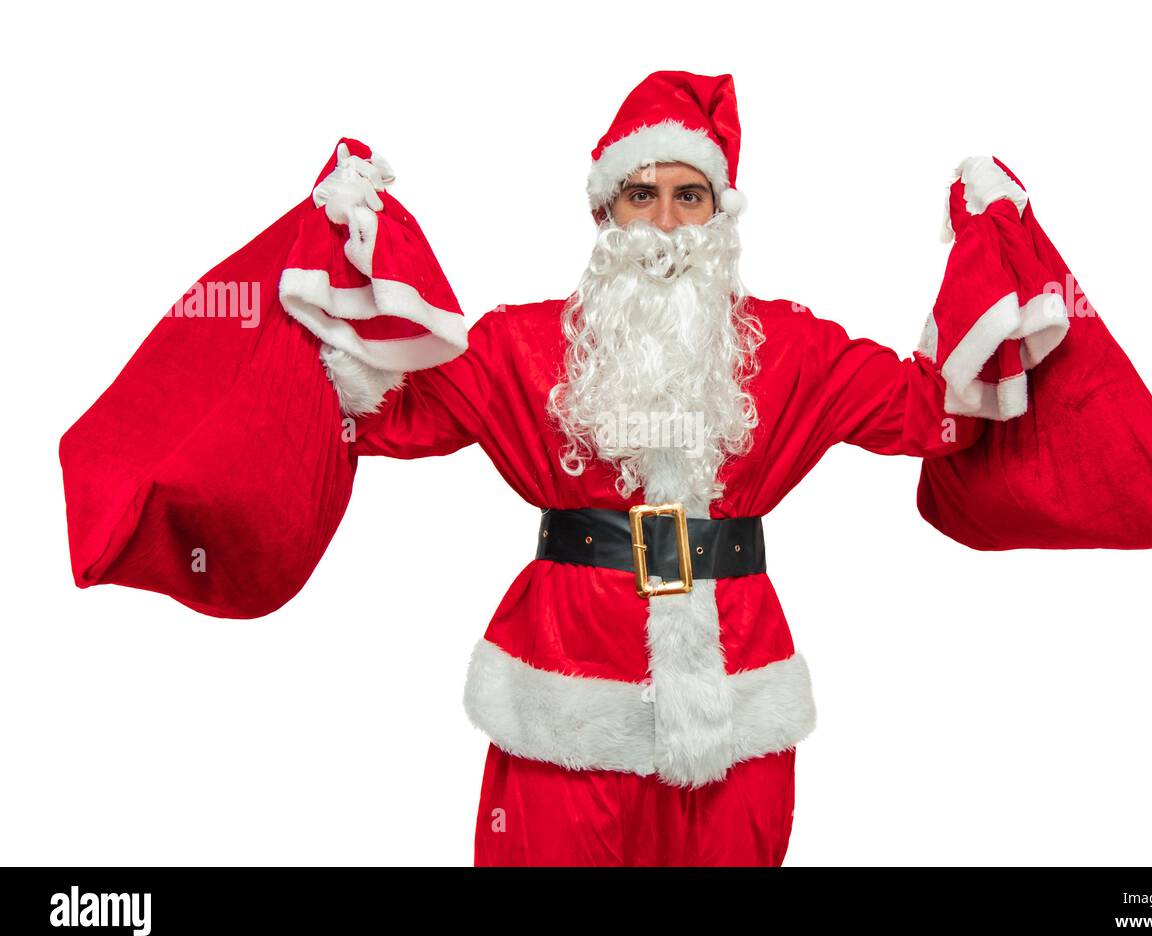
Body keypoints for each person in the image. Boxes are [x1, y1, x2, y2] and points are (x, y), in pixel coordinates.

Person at [61, 71, 1067, 866]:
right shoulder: (521, 344)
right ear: (605, 215)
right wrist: (343, 267)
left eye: (689, 196)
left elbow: (932, 411)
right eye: (642, 195)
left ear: (720, 214)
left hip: (736, 677)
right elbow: (392, 414)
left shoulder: (790, 348)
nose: (666, 222)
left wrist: (991, 252)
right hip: (564, 679)